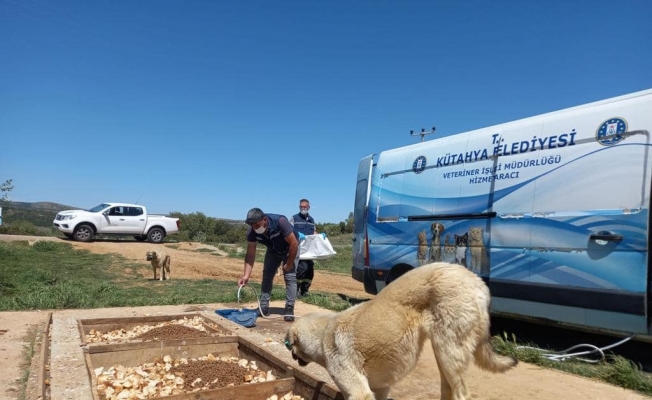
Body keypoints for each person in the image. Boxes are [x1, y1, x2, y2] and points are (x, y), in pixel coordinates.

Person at [238, 207, 299, 322]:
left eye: (257, 225)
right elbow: (250, 254)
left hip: (290, 248)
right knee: (267, 276)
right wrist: (246, 275)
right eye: (252, 226)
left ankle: (289, 309)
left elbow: (294, 243)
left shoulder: (280, 222)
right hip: (273, 250)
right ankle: (264, 307)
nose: (255, 228)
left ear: (264, 220)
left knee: (290, 277)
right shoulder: (252, 231)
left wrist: (289, 264)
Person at [290, 198, 317, 297]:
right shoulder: (294, 218)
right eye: (301, 206)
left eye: (305, 206)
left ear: (309, 207)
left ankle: (305, 290)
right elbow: (288, 230)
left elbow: (314, 232)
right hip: (298, 250)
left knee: (310, 272)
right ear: (299, 207)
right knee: (301, 269)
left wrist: (320, 236)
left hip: (309, 251)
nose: (303, 208)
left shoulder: (311, 220)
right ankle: (295, 290)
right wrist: (297, 234)